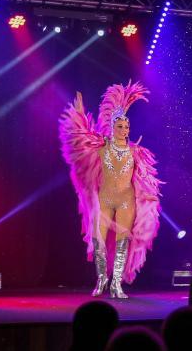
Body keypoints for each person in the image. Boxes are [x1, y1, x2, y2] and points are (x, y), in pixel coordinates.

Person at [59, 81, 162, 298]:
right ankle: (101, 279)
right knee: (99, 240)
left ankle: (116, 283)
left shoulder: (136, 152)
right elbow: (80, 139)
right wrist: (78, 114)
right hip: (104, 200)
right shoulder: (101, 148)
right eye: (120, 126)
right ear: (113, 127)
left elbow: (144, 179)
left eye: (127, 127)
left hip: (127, 201)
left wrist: (147, 199)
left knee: (122, 242)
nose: (124, 130)